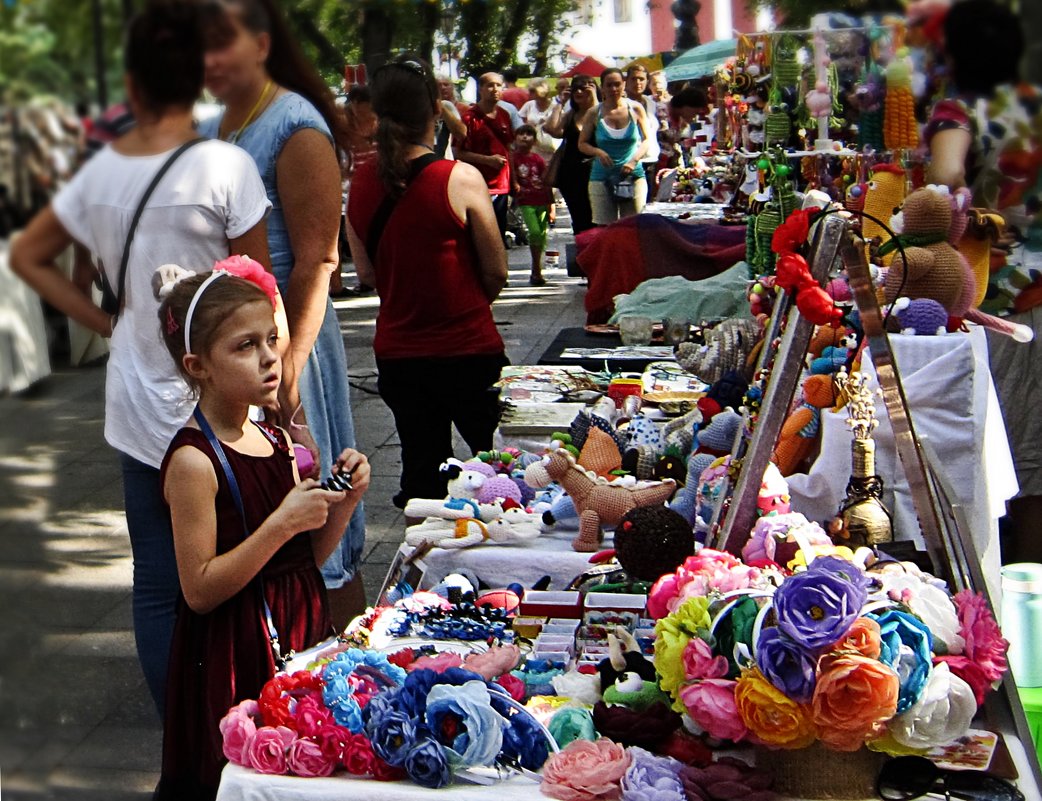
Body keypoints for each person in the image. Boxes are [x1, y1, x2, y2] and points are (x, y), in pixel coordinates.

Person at [10, 0, 271, 718]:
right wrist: (280, 387)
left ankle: (182, 727)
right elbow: (255, 288)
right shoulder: (226, 165)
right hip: (218, 391)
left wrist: (108, 319)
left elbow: (31, 256)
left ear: (130, 82)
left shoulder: (100, 174)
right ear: (197, 80)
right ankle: (240, 721)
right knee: (241, 562)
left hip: (135, 395)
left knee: (159, 580)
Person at [153, 263, 369, 800]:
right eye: (245, 346)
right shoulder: (194, 462)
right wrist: (280, 523)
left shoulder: (273, 437)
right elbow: (199, 590)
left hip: (296, 627)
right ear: (197, 365)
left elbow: (304, 559)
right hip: (234, 650)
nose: (270, 356)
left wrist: (343, 503)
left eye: (271, 339)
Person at [200, 0, 367, 627]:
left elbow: (317, 262)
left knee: (322, 513)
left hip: (291, 337)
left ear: (262, 44)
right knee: (268, 512)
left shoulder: (294, 126)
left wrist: (286, 366)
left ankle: (346, 670)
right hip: (240, 345)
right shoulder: (220, 125)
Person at [345, 56, 508, 508]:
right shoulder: (459, 178)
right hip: (469, 349)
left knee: (422, 476)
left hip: (401, 355)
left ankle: (421, 570)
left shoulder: (361, 181)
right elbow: (496, 270)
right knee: (499, 469)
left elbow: (367, 275)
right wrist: (467, 299)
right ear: (434, 111)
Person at [926, 0, 1042, 563]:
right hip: (1032, 289)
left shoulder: (960, 109)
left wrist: (967, 211)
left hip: (1002, 302)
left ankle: (1020, 587)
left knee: (1017, 456)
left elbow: (948, 174)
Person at [579, 67, 650, 225]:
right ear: (602, 87)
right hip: (601, 177)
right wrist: (598, 152)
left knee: (633, 226)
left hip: (633, 176)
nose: (613, 89)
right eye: (609, 85)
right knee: (605, 228)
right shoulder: (594, 113)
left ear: (623, 85)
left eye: (617, 84)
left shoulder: (636, 108)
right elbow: (582, 144)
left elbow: (647, 140)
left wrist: (634, 160)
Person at [456, 72, 516, 241]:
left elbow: (509, 148)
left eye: (498, 85)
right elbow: (458, 152)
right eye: (490, 85)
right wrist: (488, 160)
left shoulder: (504, 114)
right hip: (479, 186)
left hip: (502, 186)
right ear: (480, 89)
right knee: (482, 237)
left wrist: (514, 181)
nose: (494, 89)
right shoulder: (469, 118)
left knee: (499, 234)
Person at [332, 84, 378, 298]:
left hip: (371, 181)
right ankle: (336, 284)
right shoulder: (341, 120)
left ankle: (368, 278)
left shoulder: (377, 120)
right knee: (339, 237)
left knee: (368, 232)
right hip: (345, 186)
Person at [544, 73, 598, 235]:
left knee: (596, 217)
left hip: (595, 173)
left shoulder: (601, 111)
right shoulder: (571, 114)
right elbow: (553, 130)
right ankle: (582, 251)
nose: (580, 92)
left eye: (584, 88)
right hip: (571, 174)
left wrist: (594, 97)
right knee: (579, 218)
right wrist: (560, 103)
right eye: (576, 89)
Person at [513, 123, 553, 286]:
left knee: (542, 235)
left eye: (529, 134)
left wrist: (552, 207)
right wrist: (515, 186)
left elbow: (547, 181)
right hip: (526, 201)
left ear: (535, 140)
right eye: (521, 134)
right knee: (535, 232)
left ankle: (537, 270)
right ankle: (536, 267)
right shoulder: (513, 157)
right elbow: (512, 177)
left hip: (541, 200)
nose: (524, 137)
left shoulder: (538, 159)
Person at [625, 64, 661, 202]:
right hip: (630, 160)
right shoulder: (622, 104)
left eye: (641, 79)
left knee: (648, 203)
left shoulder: (650, 103)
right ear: (626, 81)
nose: (638, 83)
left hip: (650, 159)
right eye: (633, 79)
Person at [434, 74, 467, 159]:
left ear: (452, 87)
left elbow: (462, 134)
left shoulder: (465, 108)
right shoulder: (428, 108)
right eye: (439, 85)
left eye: (446, 84)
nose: (443, 88)